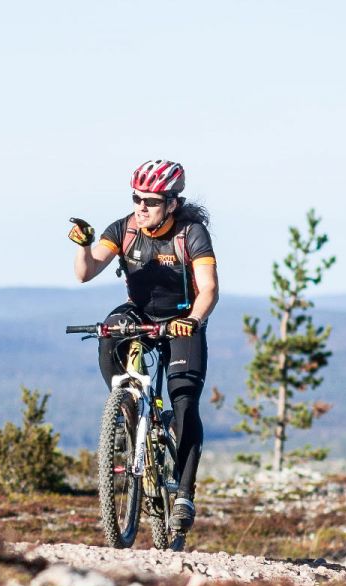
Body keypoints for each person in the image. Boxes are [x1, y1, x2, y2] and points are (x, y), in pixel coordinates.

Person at [68, 159, 219, 535]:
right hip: (140, 314)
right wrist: (85, 246)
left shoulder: (192, 232)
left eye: (150, 201)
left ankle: (184, 494)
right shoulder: (124, 229)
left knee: (183, 401)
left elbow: (210, 289)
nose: (141, 207)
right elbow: (85, 273)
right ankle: (124, 412)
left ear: (171, 203)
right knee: (108, 330)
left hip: (184, 317)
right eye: (137, 198)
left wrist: (193, 321)